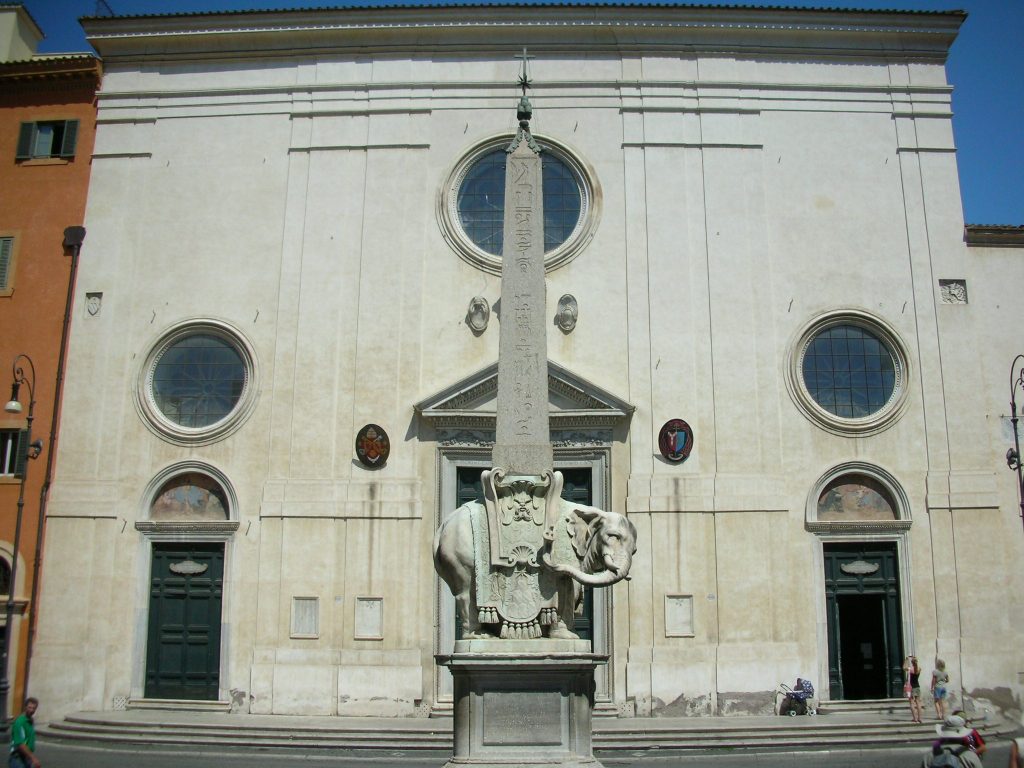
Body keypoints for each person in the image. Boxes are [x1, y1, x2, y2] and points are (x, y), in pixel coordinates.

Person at [9, 697, 40, 768]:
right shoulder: (19, 722)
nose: (31, 710)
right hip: (18, 758)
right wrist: (33, 758)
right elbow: (20, 744)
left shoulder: (30, 720)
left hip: (26, 758)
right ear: (25, 707)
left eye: (34, 708)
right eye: (29, 707)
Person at [905, 654, 924, 724]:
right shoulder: (919, 669)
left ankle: (915, 718)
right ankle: (920, 718)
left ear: (912, 663)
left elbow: (904, 667)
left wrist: (907, 659)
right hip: (917, 686)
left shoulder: (910, 669)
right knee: (918, 703)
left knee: (912, 703)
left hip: (911, 687)